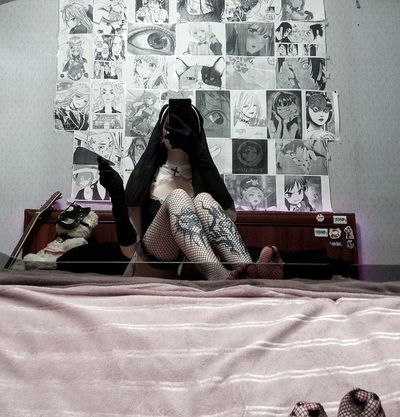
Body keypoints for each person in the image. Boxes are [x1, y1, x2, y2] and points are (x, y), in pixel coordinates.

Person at [124, 102, 283, 280]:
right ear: (161, 131)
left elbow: (231, 216)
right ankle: (218, 274)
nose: (176, 130)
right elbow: (129, 249)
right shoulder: (146, 176)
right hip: (150, 266)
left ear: (195, 132)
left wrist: (197, 150)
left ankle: (248, 270)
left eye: (185, 126)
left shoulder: (202, 178)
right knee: (178, 196)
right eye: (170, 125)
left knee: (204, 199)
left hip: (191, 269)